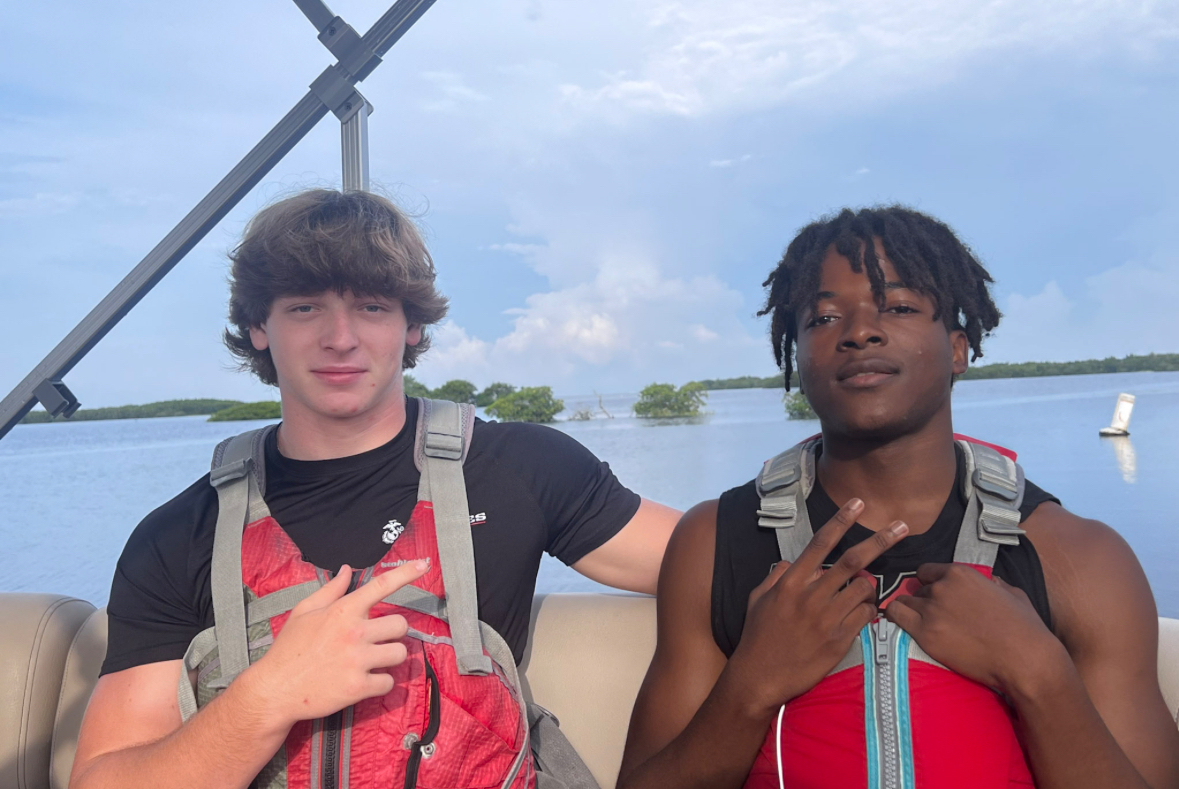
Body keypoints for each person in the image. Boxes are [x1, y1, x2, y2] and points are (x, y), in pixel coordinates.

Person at [69, 188, 681, 789]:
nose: (341, 338)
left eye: (372, 307)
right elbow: (104, 777)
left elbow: (717, 560)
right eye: (305, 307)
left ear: (412, 326)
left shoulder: (521, 469)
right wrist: (267, 696)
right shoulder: (178, 536)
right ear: (259, 325)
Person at [619, 206, 1179, 789]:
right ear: (795, 356)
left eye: (900, 307)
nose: (860, 331)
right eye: (824, 316)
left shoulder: (1080, 557)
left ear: (958, 349)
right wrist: (751, 685)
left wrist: (1039, 676)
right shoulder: (716, 541)